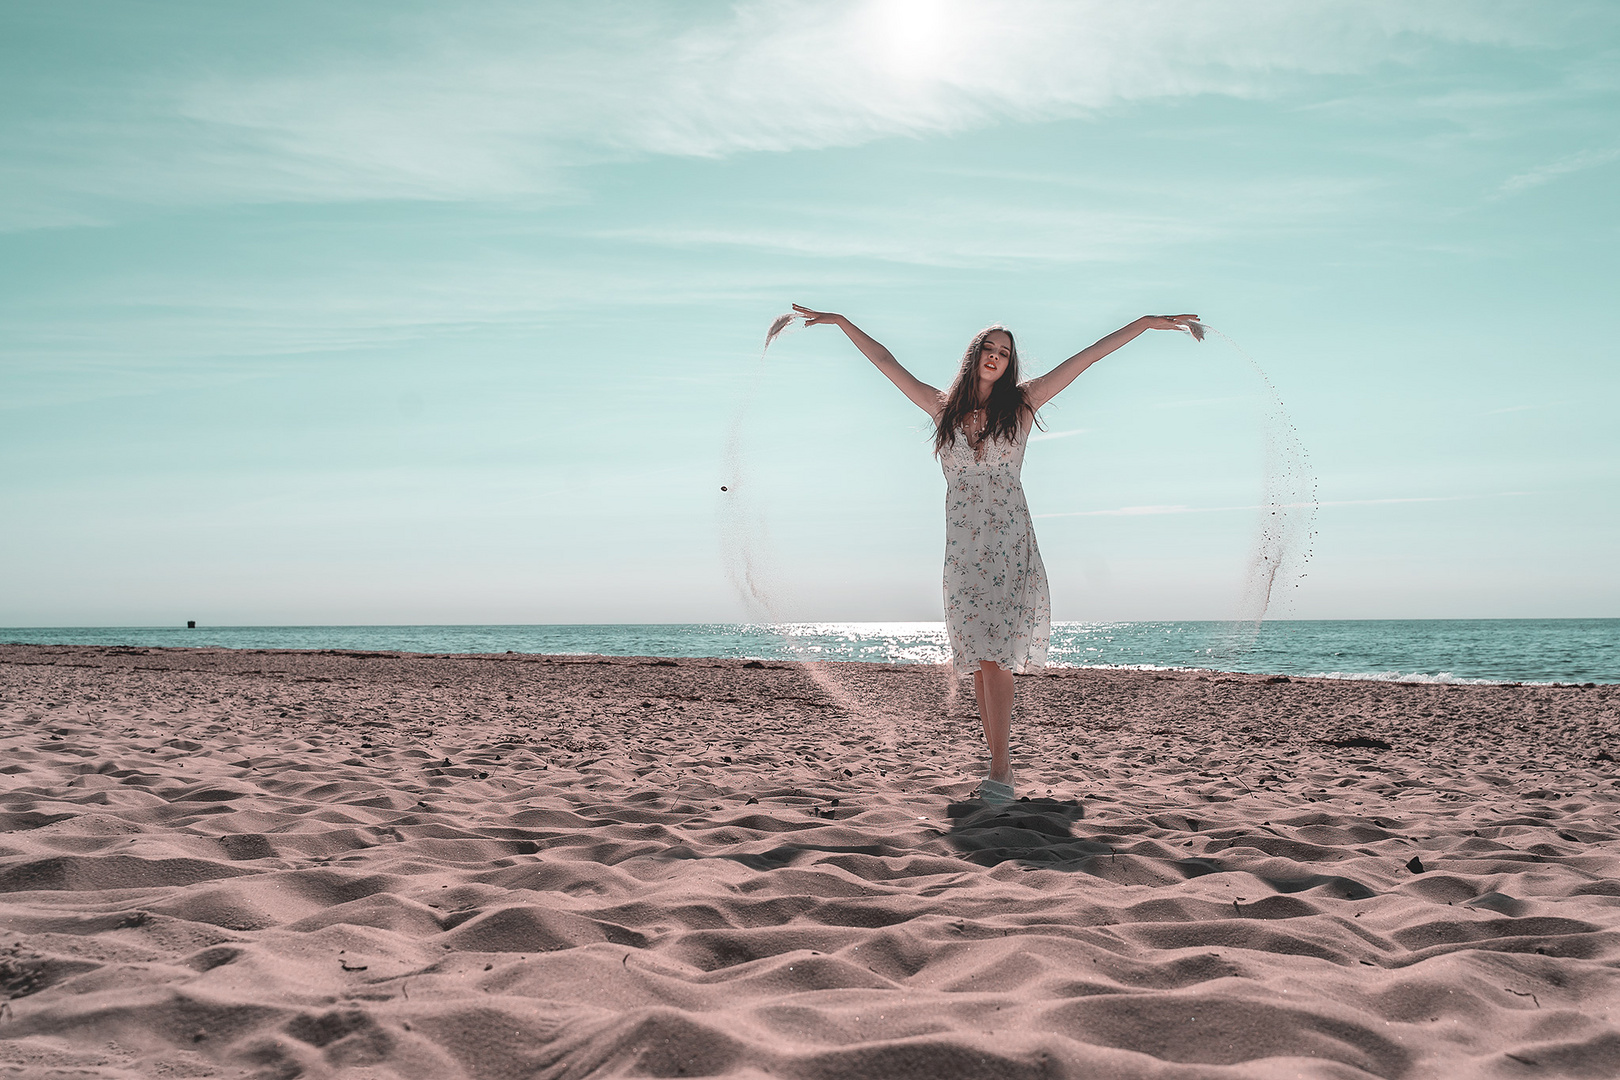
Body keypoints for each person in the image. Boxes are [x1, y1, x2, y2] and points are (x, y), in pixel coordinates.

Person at [791, 304, 1200, 803]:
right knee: (981, 661)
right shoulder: (942, 409)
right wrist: (841, 322)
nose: (997, 358)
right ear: (975, 355)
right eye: (990, 349)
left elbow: (1087, 357)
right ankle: (998, 767)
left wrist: (1143, 325)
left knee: (996, 658)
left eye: (1005, 353)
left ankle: (1002, 772)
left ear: (1010, 363)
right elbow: (884, 360)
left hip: (1008, 544)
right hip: (963, 551)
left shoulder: (1022, 405)